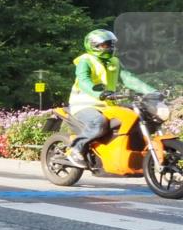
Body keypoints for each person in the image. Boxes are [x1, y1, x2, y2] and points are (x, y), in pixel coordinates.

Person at [66, 29, 155, 167]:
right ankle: (76, 148)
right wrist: (99, 93)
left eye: (111, 45)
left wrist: (152, 91)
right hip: (83, 104)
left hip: (107, 104)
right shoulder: (86, 60)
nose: (109, 48)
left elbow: (129, 79)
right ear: (93, 45)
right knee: (98, 122)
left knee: (137, 116)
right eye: (104, 45)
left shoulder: (115, 61)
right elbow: (84, 81)